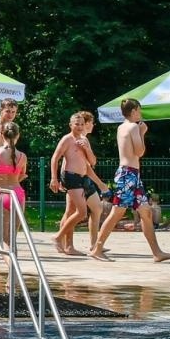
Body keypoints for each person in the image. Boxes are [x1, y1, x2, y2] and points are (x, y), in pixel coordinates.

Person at [95, 98, 170, 262]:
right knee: (117, 212)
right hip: (128, 175)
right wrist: (142, 133)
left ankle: (157, 252)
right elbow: (139, 151)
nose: (141, 113)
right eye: (139, 110)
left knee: (145, 212)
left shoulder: (121, 127)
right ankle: (97, 248)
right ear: (133, 111)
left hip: (131, 175)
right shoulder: (132, 127)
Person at [49, 111, 112, 259]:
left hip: (82, 178)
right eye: (76, 124)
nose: (79, 127)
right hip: (71, 177)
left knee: (77, 211)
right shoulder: (67, 139)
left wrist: (87, 148)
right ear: (70, 125)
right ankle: (59, 238)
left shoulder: (84, 140)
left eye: (81, 124)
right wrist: (54, 178)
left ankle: (66, 242)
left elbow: (93, 162)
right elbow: (55, 158)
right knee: (81, 212)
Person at [0, 121, 28, 253]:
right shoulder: (22, 156)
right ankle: (12, 272)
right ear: (18, 136)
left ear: (1, 134)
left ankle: (12, 269)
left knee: (3, 241)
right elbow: (22, 175)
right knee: (12, 239)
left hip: (0, 193)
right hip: (17, 194)